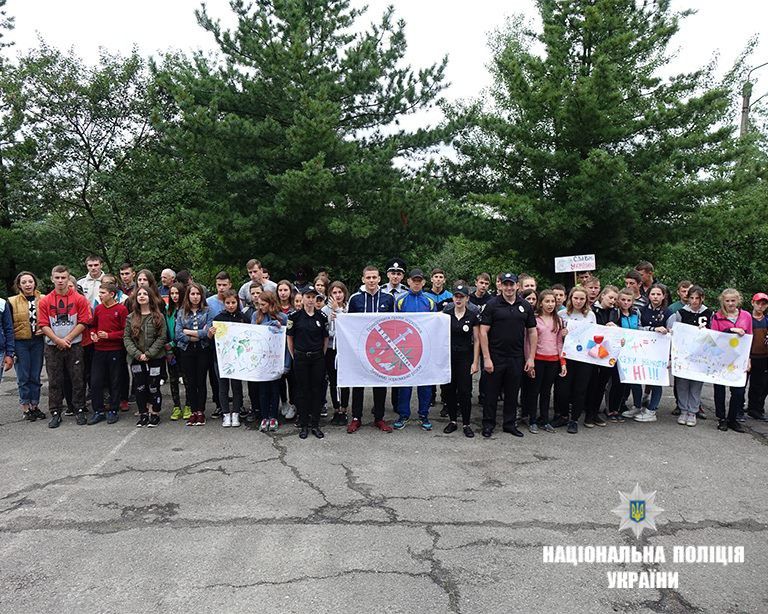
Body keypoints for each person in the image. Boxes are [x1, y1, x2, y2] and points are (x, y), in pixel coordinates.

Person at [479, 272, 537, 438]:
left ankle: (509, 424)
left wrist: (531, 357)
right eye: (506, 284)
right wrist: (487, 358)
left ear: (517, 286)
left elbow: (532, 332)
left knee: (512, 393)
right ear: (501, 286)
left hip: (516, 357)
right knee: (491, 393)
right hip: (495, 356)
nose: (509, 288)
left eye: (512, 284)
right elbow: (483, 332)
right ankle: (488, 424)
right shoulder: (492, 305)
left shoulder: (525, 305)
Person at [38, 265, 92, 428]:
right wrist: (57, 340)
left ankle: (79, 409)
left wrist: (67, 339)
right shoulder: (45, 300)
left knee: (77, 379)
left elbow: (84, 321)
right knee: (54, 380)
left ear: (68, 279)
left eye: (63, 278)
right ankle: (55, 412)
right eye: (57, 277)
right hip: (52, 347)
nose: (60, 281)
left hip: (74, 345)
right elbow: (43, 324)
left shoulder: (79, 299)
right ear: (52, 279)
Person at [347, 266, 395, 433]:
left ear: (379, 279)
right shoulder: (355, 299)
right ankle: (356, 418)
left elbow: (393, 323)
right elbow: (349, 324)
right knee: (358, 383)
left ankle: (379, 418)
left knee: (380, 383)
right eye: (368, 277)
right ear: (363, 279)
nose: (372, 280)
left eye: (374, 277)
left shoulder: (389, 298)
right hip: (360, 348)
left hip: (381, 349)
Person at [393, 268, 438, 431]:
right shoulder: (400, 300)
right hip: (406, 349)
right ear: (408, 281)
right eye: (414, 280)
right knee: (405, 383)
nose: (417, 283)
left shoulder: (430, 301)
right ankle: (403, 415)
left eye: (419, 281)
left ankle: (424, 415)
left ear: (424, 282)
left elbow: (435, 325)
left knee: (424, 383)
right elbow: (395, 324)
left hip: (424, 348)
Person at [666, 285, 713, 427]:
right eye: (691, 298)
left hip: (700, 355)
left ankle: (693, 411)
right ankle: (683, 410)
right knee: (682, 384)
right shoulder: (680, 313)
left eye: (697, 298)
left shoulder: (709, 313)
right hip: (683, 354)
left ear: (702, 298)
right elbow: (672, 331)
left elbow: (715, 333)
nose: (694, 301)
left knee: (696, 384)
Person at [552, 286, 597, 434]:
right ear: (570, 298)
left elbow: (594, 336)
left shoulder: (590, 315)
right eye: (576, 298)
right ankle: (563, 415)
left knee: (580, 389)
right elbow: (555, 335)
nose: (578, 301)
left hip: (584, 358)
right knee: (562, 389)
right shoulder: (562, 314)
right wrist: (562, 333)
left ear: (586, 300)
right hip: (566, 357)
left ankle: (574, 420)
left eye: (582, 299)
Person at [287, 285, 329, 439]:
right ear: (302, 298)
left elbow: (325, 338)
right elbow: (290, 338)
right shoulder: (294, 317)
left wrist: (321, 355)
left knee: (317, 390)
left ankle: (315, 424)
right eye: (308, 297)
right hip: (301, 358)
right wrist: (294, 356)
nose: (310, 300)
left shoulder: (322, 316)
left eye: (313, 297)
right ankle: (304, 424)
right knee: (302, 391)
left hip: (317, 358)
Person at [710, 289, 752, 432]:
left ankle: (733, 419)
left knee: (738, 390)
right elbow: (714, 337)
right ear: (723, 301)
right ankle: (721, 418)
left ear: (738, 300)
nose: (730, 303)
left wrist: (749, 359)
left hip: (739, 359)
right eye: (727, 301)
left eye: (733, 300)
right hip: (721, 357)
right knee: (720, 390)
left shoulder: (746, 316)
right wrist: (731, 330)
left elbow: (749, 337)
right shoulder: (717, 317)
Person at [124, 287, 167, 427]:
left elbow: (162, 337)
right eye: (139, 294)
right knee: (140, 386)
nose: (142, 296)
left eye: (145, 294)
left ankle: (154, 412)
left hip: (155, 357)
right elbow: (126, 338)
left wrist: (149, 354)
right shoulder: (130, 317)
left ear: (150, 297)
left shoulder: (158, 316)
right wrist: (137, 354)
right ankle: (143, 413)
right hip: (136, 358)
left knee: (153, 386)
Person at [525, 290, 566, 433]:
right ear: (540, 303)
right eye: (547, 301)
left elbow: (559, 343)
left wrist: (562, 362)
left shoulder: (558, 320)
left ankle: (544, 419)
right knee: (534, 391)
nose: (550, 304)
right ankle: (532, 420)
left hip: (553, 360)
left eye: (552, 301)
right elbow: (528, 342)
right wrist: (529, 360)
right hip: (538, 359)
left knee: (546, 391)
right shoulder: (534, 319)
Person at [87, 283, 128, 425]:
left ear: (112, 294)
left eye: (103, 293)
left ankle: (114, 409)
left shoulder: (121, 310)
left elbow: (125, 331)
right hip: (99, 350)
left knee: (114, 381)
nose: (100, 295)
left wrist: (109, 336)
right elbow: (93, 325)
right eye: (100, 292)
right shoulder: (98, 309)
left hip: (115, 350)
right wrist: (93, 334)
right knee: (96, 381)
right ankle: (98, 410)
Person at [442, 284, 480, 437]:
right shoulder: (446, 315)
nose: (458, 299)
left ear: (467, 298)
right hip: (449, 358)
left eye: (461, 297)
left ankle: (466, 423)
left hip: (465, 357)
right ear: (453, 298)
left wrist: (475, 362)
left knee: (464, 391)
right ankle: (452, 421)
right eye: (456, 296)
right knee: (449, 390)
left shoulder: (472, 316)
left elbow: (476, 340)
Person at [630, 284, 672, 423]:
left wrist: (670, 356)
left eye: (658, 294)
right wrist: (653, 329)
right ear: (648, 295)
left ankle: (652, 410)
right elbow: (637, 328)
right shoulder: (641, 310)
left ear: (663, 296)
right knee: (636, 378)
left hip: (659, 353)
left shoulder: (669, 313)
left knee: (656, 380)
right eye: (653, 294)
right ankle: (637, 405)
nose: (655, 297)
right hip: (642, 350)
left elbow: (673, 333)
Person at [208, 289, 249, 428]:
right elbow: (211, 342)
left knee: (237, 386)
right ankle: (226, 413)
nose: (231, 305)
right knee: (223, 386)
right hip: (221, 358)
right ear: (224, 303)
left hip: (237, 358)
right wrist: (210, 334)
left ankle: (236, 412)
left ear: (237, 302)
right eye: (228, 303)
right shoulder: (218, 319)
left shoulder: (243, 318)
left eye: (233, 302)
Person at [8, 271, 45, 421]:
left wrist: (45, 328)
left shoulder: (43, 299)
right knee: (23, 376)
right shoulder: (12, 301)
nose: (28, 285)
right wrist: (10, 349)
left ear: (35, 283)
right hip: (20, 342)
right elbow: (8, 324)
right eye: (24, 282)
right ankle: (25, 407)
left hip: (38, 341)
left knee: (35, 375)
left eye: (30, 281)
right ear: (19, 285)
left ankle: (35, 405)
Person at [176, 282, 213, 426]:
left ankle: (201, 411)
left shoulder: (207, 311)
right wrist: (195, 336)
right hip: (186, 350)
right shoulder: (181, 312)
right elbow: (178, 334)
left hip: (202, 349)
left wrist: (189, 331)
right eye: (193, 294)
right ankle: (193, 411)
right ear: (188, 295)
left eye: (198, 294)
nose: (195, 297)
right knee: (190, 382)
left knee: (201, 381)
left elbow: (207, 332)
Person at [584, 285, 620, 428]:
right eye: (610, 297)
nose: (612, 301)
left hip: (607, 353)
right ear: (603, 295)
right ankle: (588, 414)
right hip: (593, 351)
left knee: (602, 384)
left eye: (615, 299)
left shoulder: (615, 312)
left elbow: (619, 332)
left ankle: (595, 412)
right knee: (592, 384)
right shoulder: (592, 310)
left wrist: (616, 329)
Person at [254, 291, 288, 432]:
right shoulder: (256, 316)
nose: (260, 307)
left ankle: (273, 416)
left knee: (275, 389)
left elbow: (287, 341)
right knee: (263, 390)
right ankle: (264, 416)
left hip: (276, 359)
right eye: (259, 304)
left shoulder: (283, 317)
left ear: (271, 303)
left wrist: (286, 363)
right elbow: (253, 333)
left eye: (263, 304)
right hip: (261, 359)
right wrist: (268, 325)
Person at [323, 281, 351, 426]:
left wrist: (340, 314)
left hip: (345, 349)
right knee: (333, 381)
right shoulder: (325, 310)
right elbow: (323, 330)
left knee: (345, 380)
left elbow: (350, 328)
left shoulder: (349, 308)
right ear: (330, 294)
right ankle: (336, 409)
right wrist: (330, 320)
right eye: (334, 292)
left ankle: (344, 409)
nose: (337, 295)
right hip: (330, 349)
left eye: (340, 292)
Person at [614, 288, 643, 420]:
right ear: (618, 300)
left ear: (632, 301)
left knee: (635, 379)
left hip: (634, 351)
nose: (625, 303)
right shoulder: (615, 313)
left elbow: (640, 328)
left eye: (628, 300)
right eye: (623, 300)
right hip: (619, 352)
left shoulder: (636, 312)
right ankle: (615, 406)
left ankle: (635, 405)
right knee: (618, 380)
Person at [165, 282, 189, 421]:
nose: (174, 296)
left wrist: (175, 342)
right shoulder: (168, 310)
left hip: (183, 346)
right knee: (173, 378)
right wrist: (168, 344)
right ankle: (176, 406)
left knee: (186, 377)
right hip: (170, 348)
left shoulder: (186, 309)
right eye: (172, 293)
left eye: (177, 293)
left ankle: (188, 405)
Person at [747, 293, 768, 422]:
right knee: (741, 384)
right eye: (758, 303)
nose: (760, 306)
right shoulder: (747, 319)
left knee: (758, 385)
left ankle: (754, 409)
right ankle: (738, 408)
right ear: (752, 303)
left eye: (763, 304)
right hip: (747, 356)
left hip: (762, 357)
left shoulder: (766, 321)